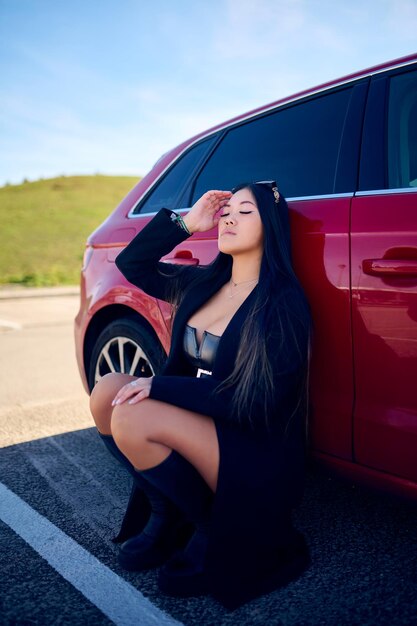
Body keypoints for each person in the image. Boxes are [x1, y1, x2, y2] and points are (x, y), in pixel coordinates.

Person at [89, 181, 312, 610]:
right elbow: (132, 262)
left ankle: (211, 529)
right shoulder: (202, 284)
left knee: (132, 415)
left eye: (245, 212)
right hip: (204, 420)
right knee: (108, 392)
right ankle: (167, 513)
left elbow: (257, 402)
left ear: (273, 228)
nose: (229, 217)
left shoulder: (282, 303)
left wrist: (160, 386)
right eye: (227, 210)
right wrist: (187, 223)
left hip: (251, 442)